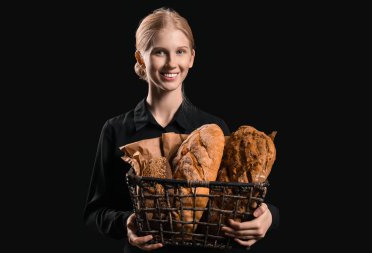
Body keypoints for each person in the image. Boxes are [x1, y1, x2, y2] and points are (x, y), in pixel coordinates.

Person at [83, 7, 279, 253]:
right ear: (141, 58)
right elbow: (94, 213)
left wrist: (269, 216)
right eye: (159, 53)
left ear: (192, 58)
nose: (171, 63)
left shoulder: (214, 131)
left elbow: (235, 196)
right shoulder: (116, 130)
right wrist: (126, 223)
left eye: (180, 51)